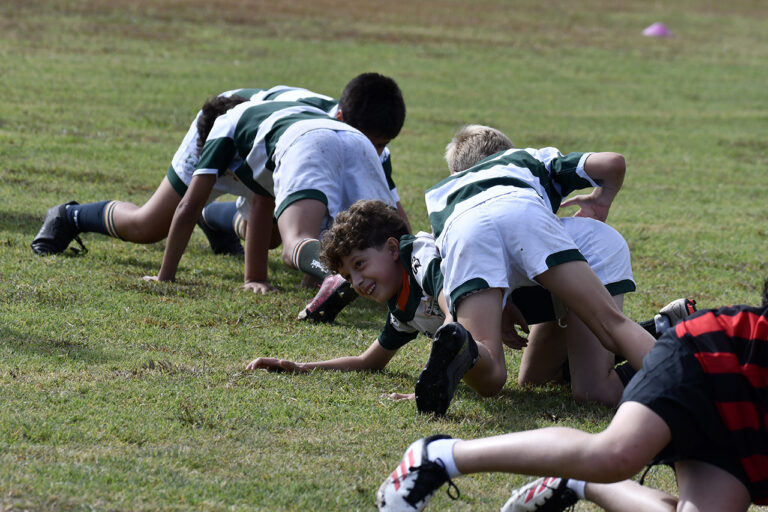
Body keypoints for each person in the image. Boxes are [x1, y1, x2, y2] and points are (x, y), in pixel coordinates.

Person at [245, 199, 694, 410]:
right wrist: (301, 367)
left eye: (362, 265)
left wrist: (447, 363)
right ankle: (660, 328)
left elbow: (454, 314)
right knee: (534, 381)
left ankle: (678, 355)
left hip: (584, 266)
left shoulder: (420, 253)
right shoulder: (403, 306)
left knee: (589, 392)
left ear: (390, 246)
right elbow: (369, 361)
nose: (359, 282)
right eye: (349, 276)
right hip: (549, 304)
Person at [375, 280, 768, 512]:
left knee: (608, 470)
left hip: (751, 425)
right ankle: (437, 457)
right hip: (721, 354)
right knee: (615, 454)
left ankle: (576, 483)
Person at [30, 73, 407, 302]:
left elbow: (388, 216)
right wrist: (255, 279)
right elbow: (260, 198)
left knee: (278, 235)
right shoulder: (239, 125)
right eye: (373, 144)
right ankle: (69, 215)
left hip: (271, 141)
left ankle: (216, 219)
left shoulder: (363, 141)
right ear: (343, 118)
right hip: (231, 123)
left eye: (380, 145)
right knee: (148, 226)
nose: (377, 151)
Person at [409, 124, 661, 415]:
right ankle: (686, 379)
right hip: (523, 212)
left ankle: (466, 346)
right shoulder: (526, 158)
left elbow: (458, 287)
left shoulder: (440, 194)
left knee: (490, 373)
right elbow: (613, 162)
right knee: (610, 325)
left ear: (457, 172)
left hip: (464, 229)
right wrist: (600, 200)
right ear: (507, 152)